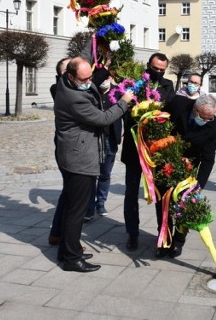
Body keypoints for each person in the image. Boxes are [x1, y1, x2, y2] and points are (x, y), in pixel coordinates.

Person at [54, 57, 133, 272]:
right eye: (85, 78)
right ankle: (71, 259)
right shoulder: (75, 99)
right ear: (70, 75)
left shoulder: (64, 81)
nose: (90, 81)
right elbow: (103, 118)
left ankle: (66, 250)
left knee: (72, 207)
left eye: (91, 76)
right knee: (76, 211)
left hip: (72, 155)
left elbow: (86, 59)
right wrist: (124, 101)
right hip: (79, 159)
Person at [121, 53, 175, 251]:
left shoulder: (168, 86)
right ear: (148, 66)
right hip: (134, 147)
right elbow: (124, 108)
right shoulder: (135, 83)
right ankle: (132, 233)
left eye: (162, 69)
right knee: (131, 191)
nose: (159, 72)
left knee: (160, 192)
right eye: (155, 68)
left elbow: (171, 112)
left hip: (156, 148)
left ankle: (163, 233)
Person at [159, 94, 216, 257]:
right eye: (204, 117)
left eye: (210, 117)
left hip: (189, 166)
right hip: (165, 160)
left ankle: (178, 241)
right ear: (195, 109)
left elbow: (208, 158)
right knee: (163, 203)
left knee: (183, 203)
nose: (207, 121)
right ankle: (164, 240)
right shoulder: (178, 103)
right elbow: (158, 120)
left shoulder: (214, 125)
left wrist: (198, 186)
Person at [84, 75, 123, 220]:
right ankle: (89, 207)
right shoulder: (90, 91)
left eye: (107, 77)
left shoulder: (118, 92)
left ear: (111, 77)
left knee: (105, 174)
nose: (104, 80)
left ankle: (100, 203)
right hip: (93, 138)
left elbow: (124, 111)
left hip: (110, 138)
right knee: (91, 174)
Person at [48, 57, 70, 246]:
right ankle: (59, 234)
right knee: (70, 192)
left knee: (70, 192)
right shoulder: (58, 89)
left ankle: (58, 232)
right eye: (67, 70)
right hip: (66, 149)